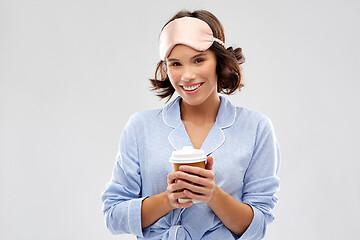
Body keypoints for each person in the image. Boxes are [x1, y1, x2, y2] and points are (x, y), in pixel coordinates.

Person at [102, 10, 280, 240]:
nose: (187, 75)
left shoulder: (256, 128)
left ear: (218, 60)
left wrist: (213, 195)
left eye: (198, 60)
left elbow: (259, 225)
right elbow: (112, 215)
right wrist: (168, 200)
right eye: (176, 64)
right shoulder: (141, 127)